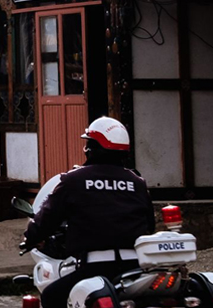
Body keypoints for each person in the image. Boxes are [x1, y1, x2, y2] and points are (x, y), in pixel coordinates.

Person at [22, 117, 153, 308]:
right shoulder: (138, 183)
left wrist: (31, 236)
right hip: (135, 268)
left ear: (92, 148)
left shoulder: (73, 180)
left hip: (94, 267)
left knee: (51, 295)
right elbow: (149, 225)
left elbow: (47, 218)